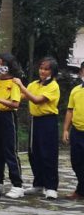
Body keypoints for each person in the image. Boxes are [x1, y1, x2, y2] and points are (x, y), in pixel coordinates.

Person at [13, 57, 61, 200]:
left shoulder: (53, 86)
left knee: (48, 154)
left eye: (46, 69)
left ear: (52, 71)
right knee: (34, 153)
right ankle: (38, 183)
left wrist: (21, 86)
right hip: (35, 120)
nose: (42, 71)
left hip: (48, 120)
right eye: (41, 68)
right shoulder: (34, 84)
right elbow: (22, 96)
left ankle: (51, 187)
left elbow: (36, 100)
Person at [0, 53, 23, 198]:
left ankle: (17, 184)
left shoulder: (14, 82)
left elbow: (15, 103)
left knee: (10, 150)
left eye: (3, 64)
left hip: (8, 116)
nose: (0, 67)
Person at [62, 62, 84, 200]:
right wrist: (65, 129)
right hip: (77, 131)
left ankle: (80, 191)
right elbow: (70, 110)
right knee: (76, 162)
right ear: (81, 72)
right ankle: (81, 190)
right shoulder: (76, 90)